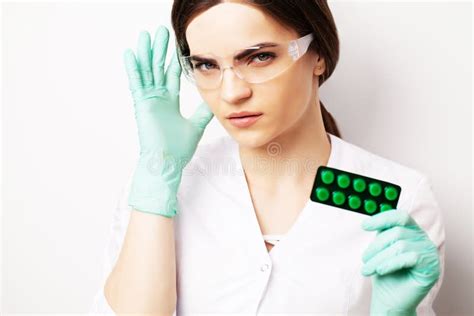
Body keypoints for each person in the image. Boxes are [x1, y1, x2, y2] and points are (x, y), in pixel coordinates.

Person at [90, 1, 446, 315]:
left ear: (318, 54)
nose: (232, 93)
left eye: (260, 57)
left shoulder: (398, 200)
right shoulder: (163, 186)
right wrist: (156, 186)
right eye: (206, 65)